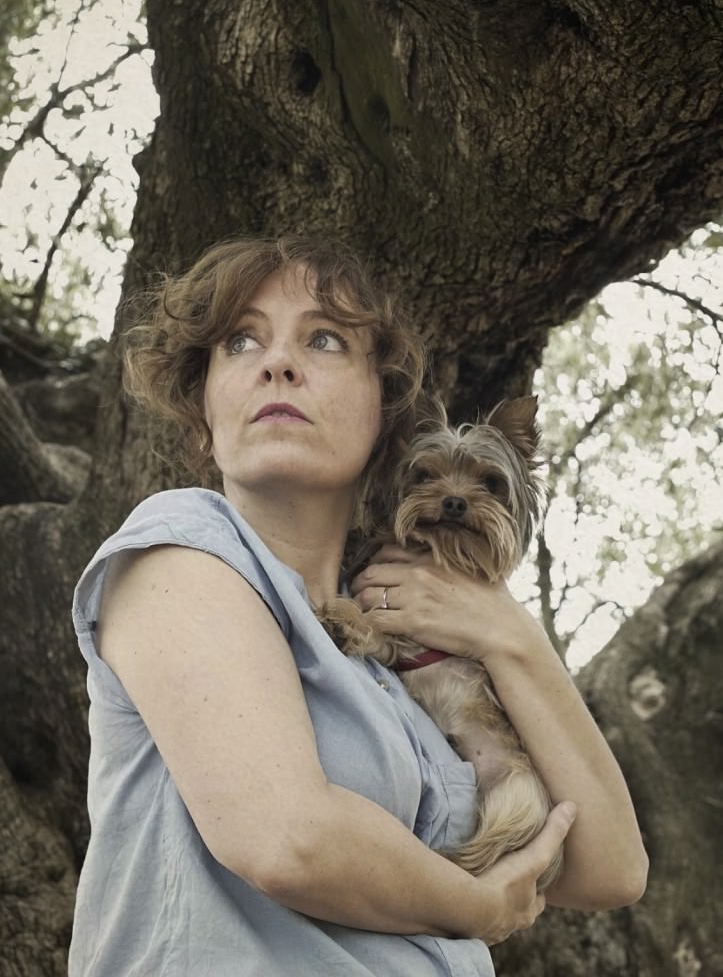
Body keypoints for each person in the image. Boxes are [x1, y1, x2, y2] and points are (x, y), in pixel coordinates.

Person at [69, 235, 648, 976]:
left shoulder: (399, 657)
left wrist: (512, 638)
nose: (277, 362)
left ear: (385, 409)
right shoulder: (180, 547)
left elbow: (612, 871)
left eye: (324, 339)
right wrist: (480, 907)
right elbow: (288, 840)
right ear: (204, 407)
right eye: (240, 342)